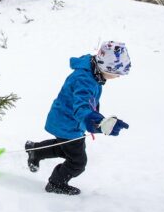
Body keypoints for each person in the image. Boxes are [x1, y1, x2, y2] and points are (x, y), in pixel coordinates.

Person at [25, 41, 132, 195]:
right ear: (105, 67)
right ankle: (55, 183)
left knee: (67, 148)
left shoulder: (92, 72)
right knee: (77, 162)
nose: (119, 76)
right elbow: (82, 105)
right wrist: (98, 122)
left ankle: (36, 150)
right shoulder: (85, 79)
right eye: (117, 72)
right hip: (68, 123)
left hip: (66, 120)